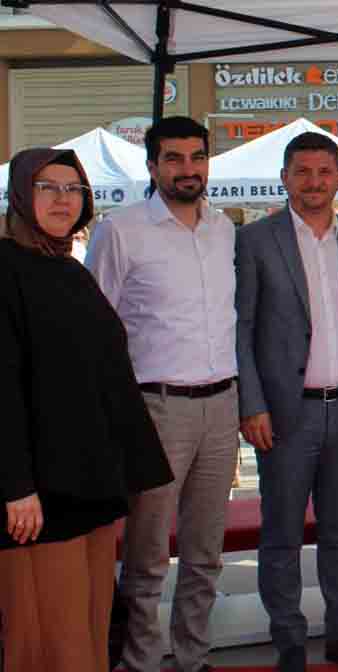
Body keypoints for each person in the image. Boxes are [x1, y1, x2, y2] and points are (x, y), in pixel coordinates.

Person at [0, 148, 172, 672]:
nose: (63, 199)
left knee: (90, 628)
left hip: (89, 485)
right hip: (38, 501)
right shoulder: (6, 270)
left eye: (73, 188)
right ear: (21, 195)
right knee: (48, 637)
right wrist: (16, 487)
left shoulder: (68, 269)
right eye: (48, 187)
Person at [86, 116, 240, 672]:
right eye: (174, 158)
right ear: (152, 166)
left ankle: (193, 657)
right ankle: (141, 661)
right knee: (148, 554)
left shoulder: (223, 229)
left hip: (222, 406)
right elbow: (95, 327)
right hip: (155, 408)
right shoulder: (120, 231)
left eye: (197, 157)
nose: (187, 169)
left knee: (205, 553)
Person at [234, 132, 338, 671]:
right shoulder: (255, 241)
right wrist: (250, 404)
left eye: (324, 172)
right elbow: (241, 328)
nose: (314, 182)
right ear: (285, 178)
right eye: (302, 171)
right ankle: (290, 641)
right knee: (281, 533)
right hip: (284, 413)